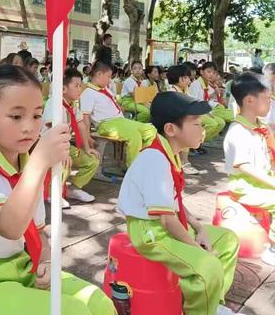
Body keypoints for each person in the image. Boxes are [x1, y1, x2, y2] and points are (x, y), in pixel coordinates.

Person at [0, 64, 114, 315]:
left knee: (97, 302)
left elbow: (38, 232)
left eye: (36, 116)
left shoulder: (26, 166)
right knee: (73, 311)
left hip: (23, 267)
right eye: (16, 116)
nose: (30, 127)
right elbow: (11, 227)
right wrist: (39, 162)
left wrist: (45, 260)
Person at [118, 91, 240, 315]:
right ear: (171, 129)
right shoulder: (154, 159)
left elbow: (173, 201)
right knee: (208, 264)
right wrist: (197, 250)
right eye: (196, 124)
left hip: (168, 225)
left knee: (227, 240)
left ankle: (211, 302)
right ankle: (200, 309)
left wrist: (199, 227)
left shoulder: (169, 152)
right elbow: (166, 219)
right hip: (150, 234)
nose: (203, 129)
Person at [224, 71, 275, 266]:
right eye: (267, 97)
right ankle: (272, 248)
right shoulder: (238, 131)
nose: (270, 101)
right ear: (250, 101)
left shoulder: (260, 125)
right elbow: (244, 166)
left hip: (262, 179)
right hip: (244, 186)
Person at [81, 61, 156, 166]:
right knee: (135, 136)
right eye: (108, 76)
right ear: (99, 74)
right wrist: (87, 135)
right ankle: (133, 168)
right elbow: (85, 116)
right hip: (107, 124)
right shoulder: (88, 92)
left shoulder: (105, 89)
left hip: (120, 121)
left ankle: (142, 161)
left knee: (150, 130)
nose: (110, 80)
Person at [43, 68, 99, 205]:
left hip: (64, 145)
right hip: (47, 145)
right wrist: (63, 152)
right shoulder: (54, 103)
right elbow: (53, 130)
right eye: (76, 86)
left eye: (81, 85)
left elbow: (81, 125)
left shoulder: (73, 104)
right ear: (63, 89)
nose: (80, 89)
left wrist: (87, 147)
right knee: (64, 161)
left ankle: (73, 188)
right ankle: (53, 193)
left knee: (92, 160)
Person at [167, 64, 200, 175]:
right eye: (185, 78)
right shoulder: (172, 91)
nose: (189, 80)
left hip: (180, 119)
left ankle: (183, 160)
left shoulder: (184, 90)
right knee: (186, 130)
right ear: (178, 78)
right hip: (171, 121)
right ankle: (184, 161)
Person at [188, 62, 231, 141]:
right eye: (208, 72)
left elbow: (208, 99)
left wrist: (216, 94)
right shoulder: (196, 84)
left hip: (206, 109)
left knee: (221, 123)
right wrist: (207, 112)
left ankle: (200, 142)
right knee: (213, 123)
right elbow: (194, 102)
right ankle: (193, 141)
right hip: (196, 111)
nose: (211, 74)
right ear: (201, 72)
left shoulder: (207, 84)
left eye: (213, 73)